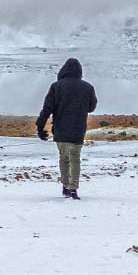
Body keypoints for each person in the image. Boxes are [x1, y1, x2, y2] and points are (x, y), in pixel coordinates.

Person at [36, 58, 97, 199]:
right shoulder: (88, 87)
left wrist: (40, 127)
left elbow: (47, 109)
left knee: (64, 159)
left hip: (60, 130)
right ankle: (73, 189)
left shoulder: (56, 86)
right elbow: (92, 107)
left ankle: (65, 187)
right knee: (75, 159)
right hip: (78, 129)